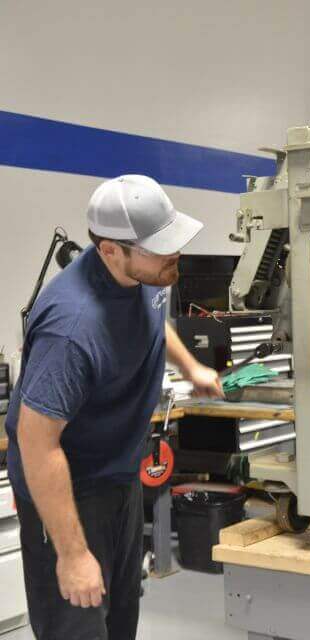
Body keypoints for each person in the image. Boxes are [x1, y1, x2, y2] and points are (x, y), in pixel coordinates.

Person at [4, 174, 224, 639]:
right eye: (160, 248)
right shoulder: (71, 328)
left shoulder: (146, 273)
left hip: (118, 480)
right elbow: (35, 444)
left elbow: (154, 317)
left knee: (121, 619)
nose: (174, 255)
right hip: (68, 494)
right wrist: (72, 554)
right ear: (110, 251)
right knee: (78, 627)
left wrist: (190, 368)